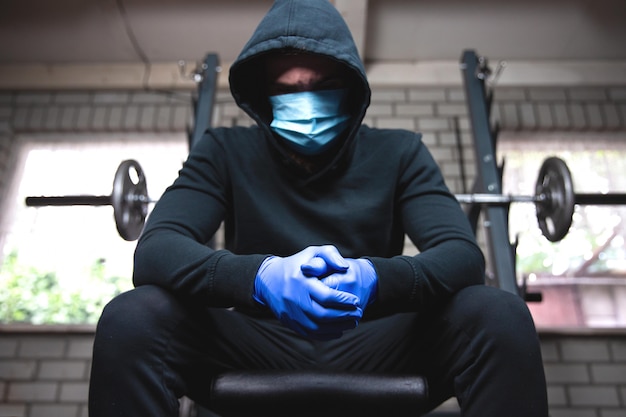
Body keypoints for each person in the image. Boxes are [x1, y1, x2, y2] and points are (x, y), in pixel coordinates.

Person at [88, 0, 549, 415]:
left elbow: (462, 255)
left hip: (374, 339)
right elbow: (156, 250)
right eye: (288, 89)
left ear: (350, 89)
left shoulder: (401, 151)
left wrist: (373, 279)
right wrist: (261, 278)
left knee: (498, 313)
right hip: (255, 340)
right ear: (263, 98)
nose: (306, 101)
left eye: (323, 85)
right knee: (132, 316)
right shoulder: (224, 150)